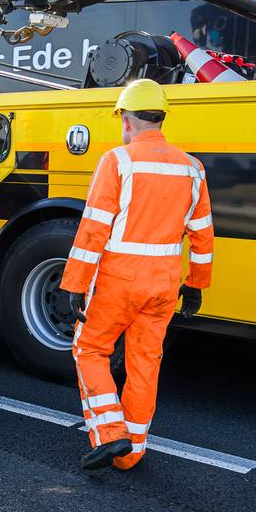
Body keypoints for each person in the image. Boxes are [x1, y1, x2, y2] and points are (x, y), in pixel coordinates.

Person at [61, 79, 215, 471]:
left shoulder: (118, 161)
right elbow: (203, 234)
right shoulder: (193, 168)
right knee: (145, 361)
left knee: (90, 350)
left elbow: (94, 228)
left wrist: (76, 284)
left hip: (119, 278)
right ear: (160, 119)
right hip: (164, 281)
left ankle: (111, 433)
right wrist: (195, 285)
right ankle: (132, 455)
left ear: (127, 120)